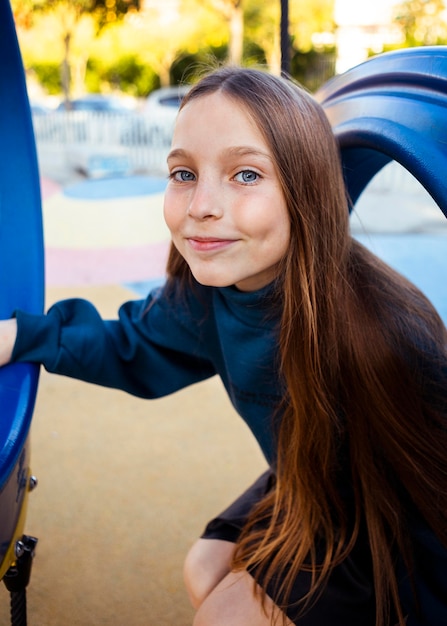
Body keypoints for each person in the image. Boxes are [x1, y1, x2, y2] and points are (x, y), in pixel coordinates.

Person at [0, 66, 446, 626]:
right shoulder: (206, 295)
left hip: (391, 525)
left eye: (245, 175)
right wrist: (19, 335)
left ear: (306, 187)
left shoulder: (384, 334)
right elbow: (131, 344)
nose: (201, 205)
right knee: (204, 568)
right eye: (184, 172)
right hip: (305, 481)